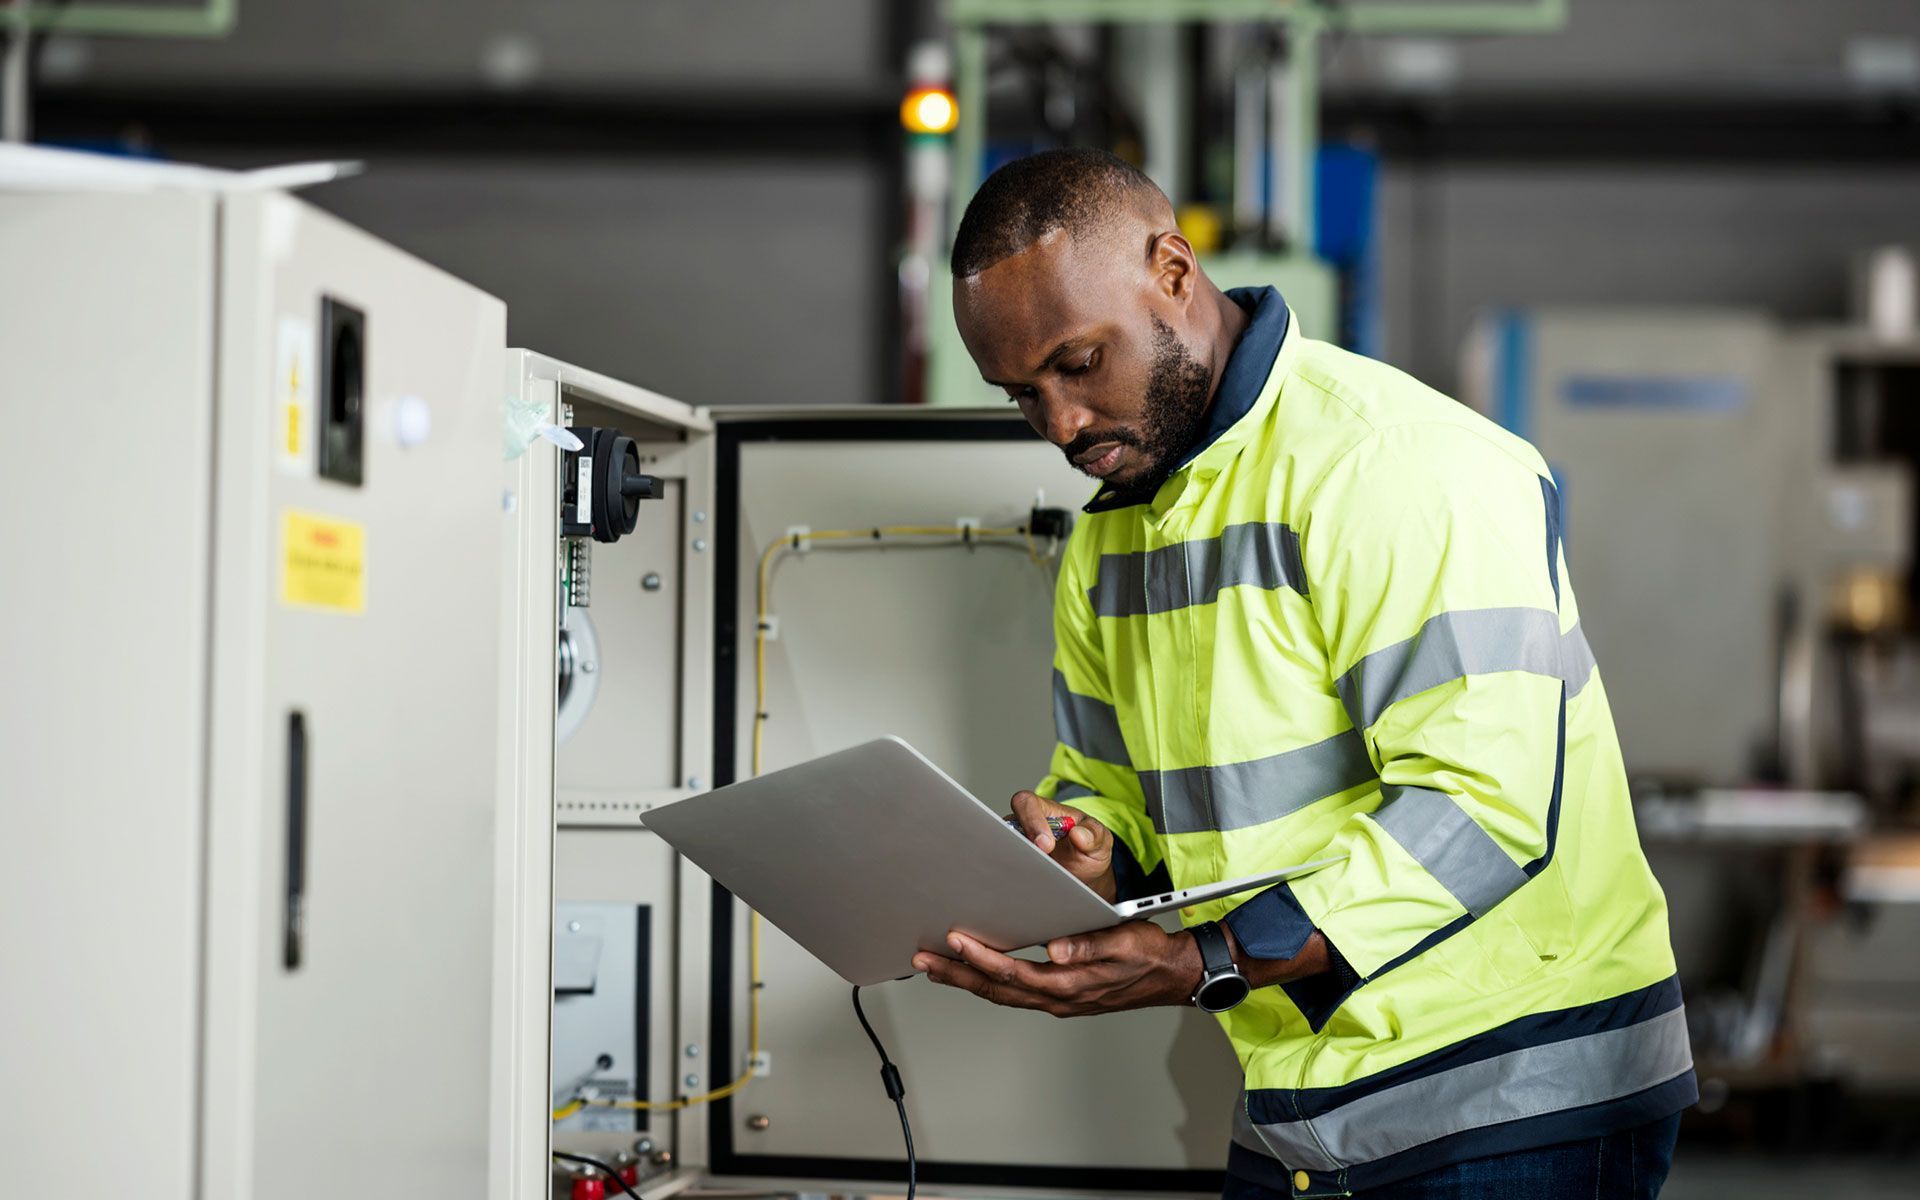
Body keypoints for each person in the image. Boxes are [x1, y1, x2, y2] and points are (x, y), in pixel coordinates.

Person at [911, 148, 1694, 1199]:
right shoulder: (1115, 537)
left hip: (1517, 1099)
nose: (1059, 424)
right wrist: (1081, 855)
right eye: (1022, 393)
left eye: (1080, 362)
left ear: (1176, 273)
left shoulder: (1396, 465)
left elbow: (1483, 807)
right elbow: (1112, 792)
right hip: (1307, 1108)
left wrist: (1206, 961)